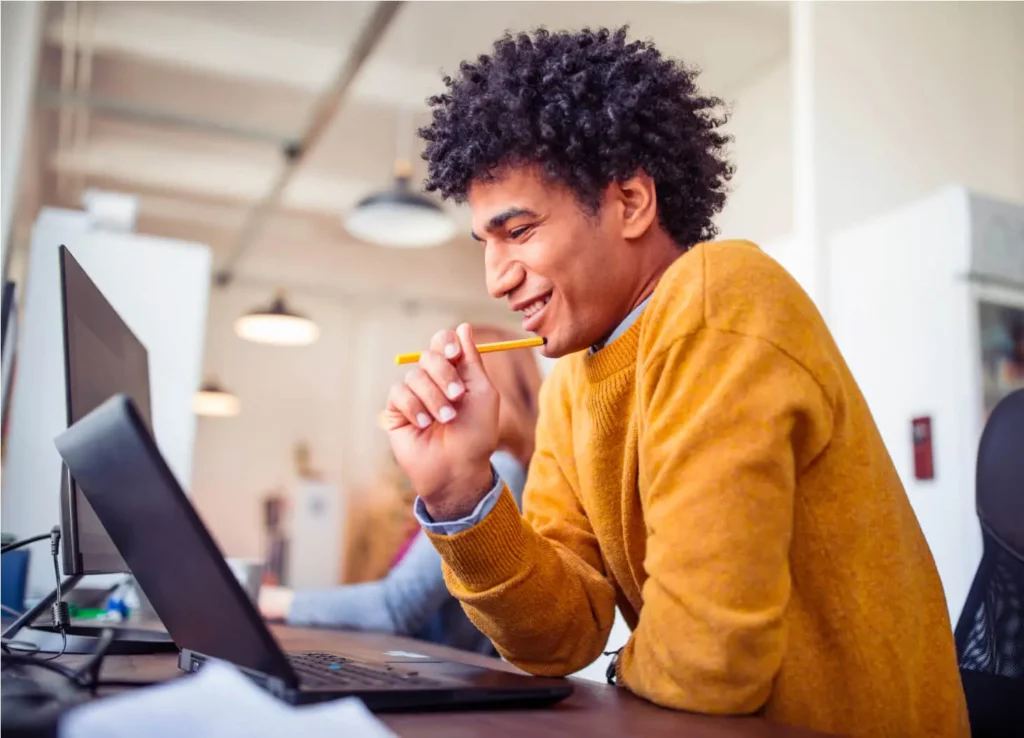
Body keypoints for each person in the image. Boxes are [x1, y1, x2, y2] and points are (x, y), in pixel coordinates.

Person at [380, 27, 969, 736]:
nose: (496, 278)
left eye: (521, 231)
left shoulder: (718, 297)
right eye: (487, 242)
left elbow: (707, 663)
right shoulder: (573, 378)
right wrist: (460, 490)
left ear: (630, 201)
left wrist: (622, 670)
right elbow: (557, 641)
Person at [260, 325, 542, 655]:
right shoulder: (493, 467)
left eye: (449, 371)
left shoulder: (499, 470)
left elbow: (397, 607)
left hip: (445, 680)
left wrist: (279, 601)